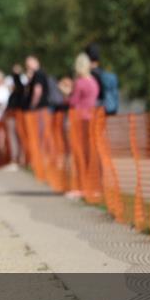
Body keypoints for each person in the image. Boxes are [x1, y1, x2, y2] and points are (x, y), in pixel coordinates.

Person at [66, 52, 100, 200]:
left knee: (79, 153)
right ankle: (92, 186)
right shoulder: (93, 82)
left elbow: (73, 102)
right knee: (89, 154)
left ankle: (81, 187)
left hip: (79, 120)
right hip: (91, 119)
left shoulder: (79, 82)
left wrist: (66, 94)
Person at [4, 63, 28, 169]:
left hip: (17, 113)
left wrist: (16, 75)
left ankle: (18, 159)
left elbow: (19, 87)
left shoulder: (21, 83)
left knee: (17, 136)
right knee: (14, 136)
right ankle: (17, 159)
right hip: (14, 112)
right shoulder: (15, 84)